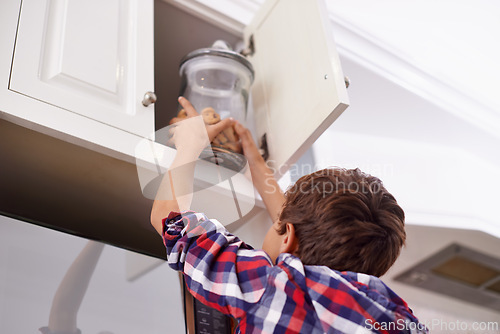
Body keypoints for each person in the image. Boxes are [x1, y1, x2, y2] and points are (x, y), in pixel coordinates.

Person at [150, 96, 428, 333]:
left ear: (288, 236)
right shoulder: (402, 319)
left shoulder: (271, 287)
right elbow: (298, 236)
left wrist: (189, 146)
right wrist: (257, 165)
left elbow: (170, 221)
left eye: (278, 225)